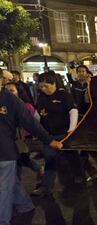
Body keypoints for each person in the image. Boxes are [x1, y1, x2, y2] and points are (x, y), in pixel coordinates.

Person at [0, 68, 62, 225]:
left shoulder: (10, 100)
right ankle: (25, 205)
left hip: (4, 152)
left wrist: (49, 140)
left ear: (2, 80)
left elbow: (31, 123)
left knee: (3, 189)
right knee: (9, 183)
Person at [32, 71, 85, 196]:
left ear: (54, 83)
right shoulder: (41, 97)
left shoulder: (64, 95)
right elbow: (37, 114)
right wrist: (36, 130)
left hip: (65, 134)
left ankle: (79, 175)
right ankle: (46, 187)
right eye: (41, 87)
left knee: (72, 157)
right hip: (49, 136)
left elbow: (73, 111)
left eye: (46, 86)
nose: (44, 89)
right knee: (49, 160)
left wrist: (71, 130)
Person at [5, 82, 42, 178]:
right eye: (6, 91)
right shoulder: (3, 107)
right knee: (19, 160)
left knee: (20, 159)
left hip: (24, 138)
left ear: (19, 92)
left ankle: (37, 169)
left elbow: (35, 122)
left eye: (11, 90)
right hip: (8, 139)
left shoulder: (26, 106)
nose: (8, 93)